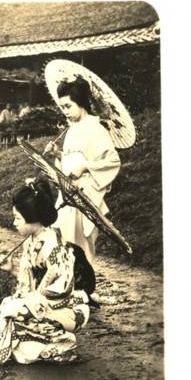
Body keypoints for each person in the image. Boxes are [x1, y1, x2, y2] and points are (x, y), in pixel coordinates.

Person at [0, 179, 92, 365]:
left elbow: (64, 285)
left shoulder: (54, 243)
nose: (14, 223)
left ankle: (61, 342)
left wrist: (38, 295)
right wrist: (13, 268)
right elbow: (27, 282)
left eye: (17, 218)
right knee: (7, 305)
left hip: (62, 305)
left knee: (12, 309)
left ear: (32, 218)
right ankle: (44, 347)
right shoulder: (31, 240)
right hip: (40, 302)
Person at [43, 76, 121, 266]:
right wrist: (59, 154)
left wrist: (86, 166)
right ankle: (68, 284)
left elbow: (112, 160)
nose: (65, 112)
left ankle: (82, 286)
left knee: (81, 245)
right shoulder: (72, 130)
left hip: (85, 193)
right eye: (62, 107)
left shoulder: (96, 128)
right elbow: (72, 160)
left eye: (68, 106)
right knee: (64, 239)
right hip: (68, 192)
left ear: (81, 103)